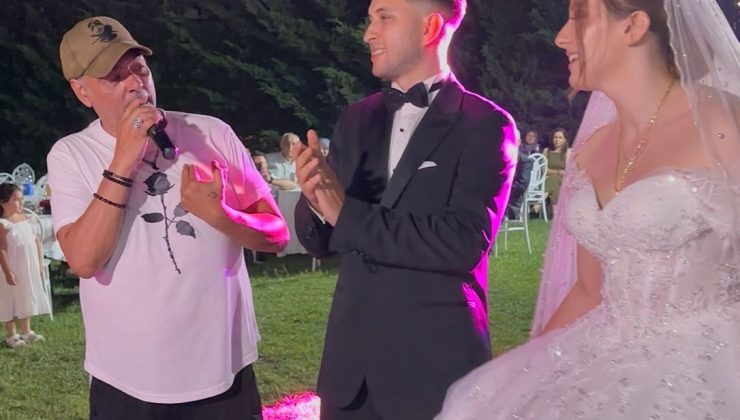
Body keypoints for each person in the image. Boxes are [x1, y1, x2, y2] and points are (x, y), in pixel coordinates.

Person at [435, 0, 740, 418]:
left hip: (707, 366)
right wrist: (524, 374)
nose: (562, 38)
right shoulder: (592, 149)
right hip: (602, 353)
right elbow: (589, 289)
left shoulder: (725, 124)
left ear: (633, 26)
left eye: (578, 17)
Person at [47, 16, 288, 419]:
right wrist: (124, 158)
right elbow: (84, 260)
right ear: (82, 91)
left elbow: (277, 234)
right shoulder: (71, 155)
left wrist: (223, 216)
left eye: (139, 69)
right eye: (114, 77)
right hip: (128, 380)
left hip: (222, 373)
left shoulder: (211, 133)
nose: (135, 84)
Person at [293, 0, 517, 418]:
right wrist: (315, 201)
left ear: (429, 27)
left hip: (433, 373)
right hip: (350, 378)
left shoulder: (486, 124)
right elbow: (323, 242)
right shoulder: (355, 119)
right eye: (370, 19)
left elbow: (462, 243)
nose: (368, 33)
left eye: (384, 17)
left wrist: (345, 213)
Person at [0, 183, 50, 349]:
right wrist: (7, 272)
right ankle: (11, 334)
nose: (21, 203)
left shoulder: (27, 219)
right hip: (11, 268)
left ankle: (26, 331)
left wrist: (39, 263)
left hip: (26, 266)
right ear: (3, 202)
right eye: (16, 200)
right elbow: (2, 249)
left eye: (21, 199)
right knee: (9, 298)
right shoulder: (3, 224)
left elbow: (36, 241)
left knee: (26, 295)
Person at [506, 129, 533, 220]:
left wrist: (501, 187)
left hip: (510, 203)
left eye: (512, 139)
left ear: (519, 142)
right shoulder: (497, 158)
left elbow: (521, 186)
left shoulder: (525, 161)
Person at [543, 127, 569, 211]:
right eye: (555, 137)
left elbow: (568, 171)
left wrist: (559, 173)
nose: (557, 140)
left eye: (560, 138)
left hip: (563, 180)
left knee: (556, 180)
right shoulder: (546, 151)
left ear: (564, 140)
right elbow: (544, 170)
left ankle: (540, 201)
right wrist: (558, 172)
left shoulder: (568, 152)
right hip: (547, 178)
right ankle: (555, 210)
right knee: (554, 179)